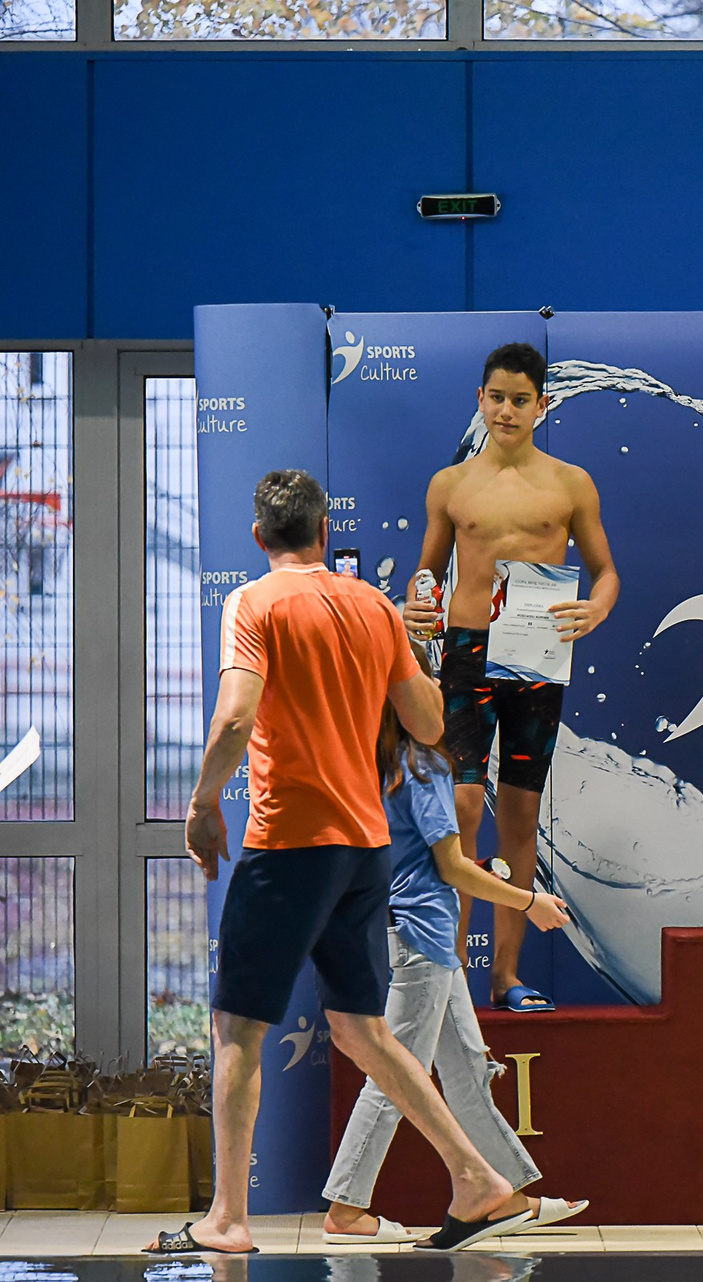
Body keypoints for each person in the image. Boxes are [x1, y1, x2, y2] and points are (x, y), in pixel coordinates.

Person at [155, 470, 531, 1255]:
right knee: (363, 1030)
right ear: (325, 533)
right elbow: (429, 723)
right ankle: (476, 1179)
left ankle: (227, 1219)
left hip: (290, 844)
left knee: (237, 1027)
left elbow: (234, 719)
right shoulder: (373, 607)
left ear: (259, 537)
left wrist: (201, 806)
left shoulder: (253, 602)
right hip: (365, 848)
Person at [321, 696, 587, 1243]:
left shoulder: (373, 762)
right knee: (398, 1076)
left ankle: (509, 1197)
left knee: (466, 1070)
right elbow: (453, 868)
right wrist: (527, 901)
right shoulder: (423, 766)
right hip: (423, 936)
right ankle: (346, 1210)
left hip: (416, 934)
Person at [403, 342, 619, 1013]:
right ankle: (450, 983)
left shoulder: (571, 483)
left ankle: (504, 977)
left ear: (541, 405)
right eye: (496, 397)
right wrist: (416, 603)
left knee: (521, 814)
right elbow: (427, 572)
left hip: (536, 656)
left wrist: (595, 609)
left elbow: (607, 573)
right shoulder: (450, 484)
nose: (506, 410)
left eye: (520, 400)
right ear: (480, 399)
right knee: (465, 806)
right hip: (466, 653)